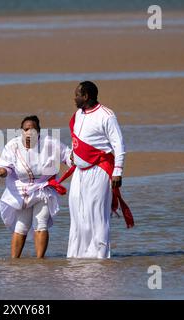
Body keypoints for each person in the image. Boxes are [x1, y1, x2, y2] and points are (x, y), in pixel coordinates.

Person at [65, 81, 134, 259]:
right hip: (79, 173)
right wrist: (73, 155)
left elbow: (119, 144)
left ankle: (100, 258)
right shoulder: (78, 114)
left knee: (96, 215)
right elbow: (78, 140)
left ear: (86, 96)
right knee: (77, 214)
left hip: (100, 171)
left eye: (77, 95)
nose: (74, 98)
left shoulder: (106, 115)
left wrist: (118, 171)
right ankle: (76, 257)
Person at [0, 115, 71, 258]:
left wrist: (78, 161)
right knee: (21, 226)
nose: (29, 133)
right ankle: (14, 262)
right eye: (26, 129)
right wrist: (2, 171)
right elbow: (6, 166)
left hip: (43, 189)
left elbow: (68, 156)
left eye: (33, 130)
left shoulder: (50, 143)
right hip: (21, 191)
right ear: (21, 131)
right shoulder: (13, 145)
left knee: (40, 223)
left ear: (39, 132)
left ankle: (40, 261)